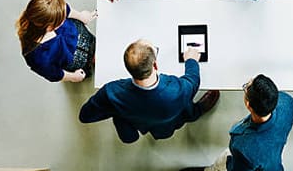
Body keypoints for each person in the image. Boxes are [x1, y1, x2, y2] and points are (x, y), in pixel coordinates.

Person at [79, 39, 220, 143]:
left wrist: (117, 112)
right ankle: (197, 112)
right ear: (155, 64)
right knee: (187, 108)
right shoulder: (176, 89)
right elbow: (193, 81)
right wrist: (191, 60)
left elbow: (85, 116)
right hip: (168, 122)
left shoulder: (111, 92)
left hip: (142, 123)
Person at [176, 74, 293, 171]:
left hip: (253, 156)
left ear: (248, 104)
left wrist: (229, 163)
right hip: (271, 142)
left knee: (221, 166)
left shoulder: (243, 148)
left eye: (246, 88)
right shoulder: (288, 101)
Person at [16, 0, 97, 83]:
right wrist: (73, 77)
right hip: (76, 59)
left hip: (78, 34)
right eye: (61, 20)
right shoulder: (36, 56)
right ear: (49, 27)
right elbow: (54, 74)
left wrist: (81, 17)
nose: (65, 17)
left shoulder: (53, 8)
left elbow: (65, 9)